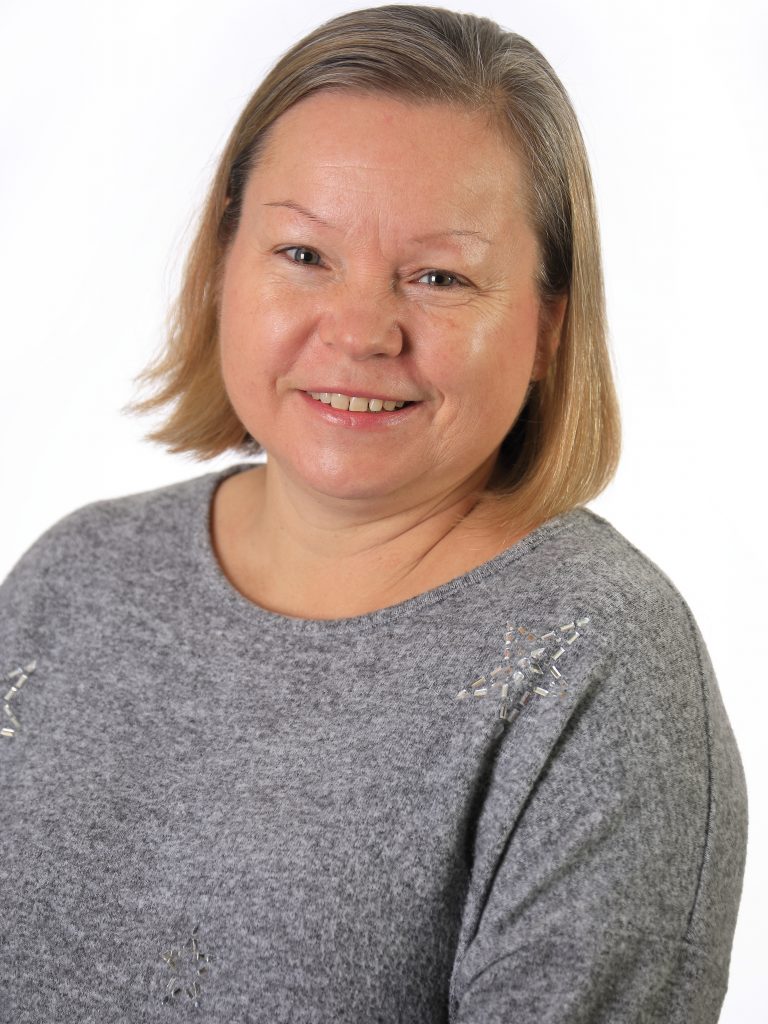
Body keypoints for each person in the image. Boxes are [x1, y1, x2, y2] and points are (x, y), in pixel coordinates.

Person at [0, 5, 747, 1022]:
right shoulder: (74, 577)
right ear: (225, 264)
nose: (360, 331)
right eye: (304, 255)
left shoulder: (596, 667)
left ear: (544, 326)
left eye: (439, 277)